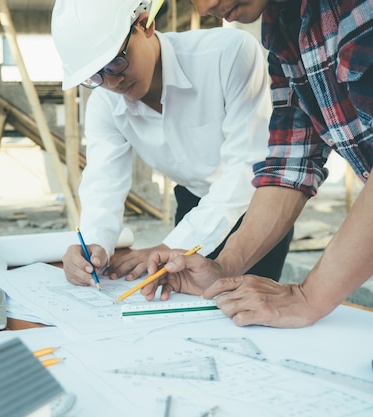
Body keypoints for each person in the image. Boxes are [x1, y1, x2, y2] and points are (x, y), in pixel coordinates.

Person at [143, 0, 373, 328]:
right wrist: (224, 267)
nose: (206, 7)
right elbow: (290, 160)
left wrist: (310, 296)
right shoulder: (282, 29)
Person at [51, 0, 294, 289]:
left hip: (257, 209)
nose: (113, 82)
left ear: (145, 25)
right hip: (193, 204)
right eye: (95, 76)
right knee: (184, 308)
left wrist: (170, 246)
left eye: (115, 62)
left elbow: (246, 170)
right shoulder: (106, 101)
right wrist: (94, 244)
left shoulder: (228, 54)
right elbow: (104, 179)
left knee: (247, 308)